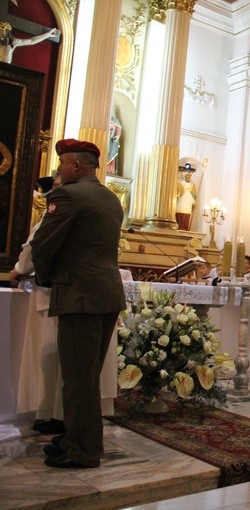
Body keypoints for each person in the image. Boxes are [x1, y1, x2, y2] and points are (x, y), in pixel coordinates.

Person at [31, 139, 125, 469]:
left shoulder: (67, 195)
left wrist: (44, 279)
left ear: (76, 166)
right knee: (87, 375)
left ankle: (83, 450)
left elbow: (42, 246)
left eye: (61, 164)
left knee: (78, 378)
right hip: (107, 294)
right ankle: (75, 439)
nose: (58, 170)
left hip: (79, 295)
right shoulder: (112, 199)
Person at [12, 174, 64, 434]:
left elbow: (36, 244)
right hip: (69, 290)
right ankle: (57, 412)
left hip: (50, 292)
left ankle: (46, 410)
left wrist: (19, 268)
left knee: (47, 352)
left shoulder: (57, 211)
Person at [175, 163, 196, 230]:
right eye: (185, 172)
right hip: (179, 206)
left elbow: (194, 195)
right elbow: (178, 193)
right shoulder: (179, 183)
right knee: (179, 223)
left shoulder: (193, 184)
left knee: (185, 224)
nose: (188, 174)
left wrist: (194, 201)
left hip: (187, 207)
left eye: (190, 172)